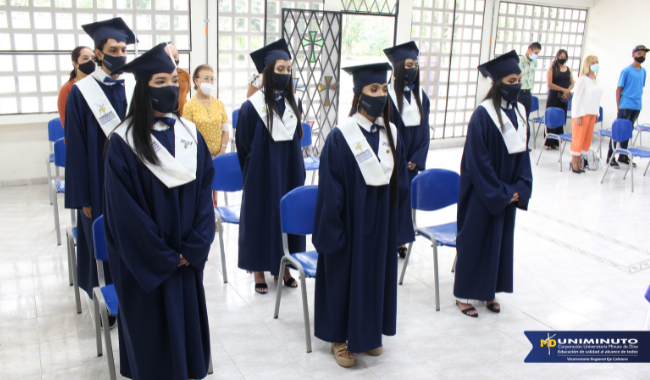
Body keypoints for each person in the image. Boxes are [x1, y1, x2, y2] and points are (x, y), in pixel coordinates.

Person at [103, 42, 214, 380]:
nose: (170, 88)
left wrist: (192, 247)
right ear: (143, 90)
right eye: (159, 82)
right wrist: (166, 257)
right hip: (148, 268)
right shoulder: (123, 143)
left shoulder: (189, 134)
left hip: (185, 260)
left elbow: (203, 196)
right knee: (153, 346)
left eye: (172, 81)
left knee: (187, 338)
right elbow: (125, 217)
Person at [313, 63, 414, 367]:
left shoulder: (391, 134)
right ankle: (339, 337)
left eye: (384, 89)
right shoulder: (340, 137)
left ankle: (368, 334)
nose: (381, 95)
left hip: (380, 225)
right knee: (346, 278)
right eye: (373, 90)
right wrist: (335, 235)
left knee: (374, 278)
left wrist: (395, 229)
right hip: (350, 228)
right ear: (358, 95)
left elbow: (401, 185)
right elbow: (331, 193)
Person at [64, 17, 135, 326]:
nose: (119, 53)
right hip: (96, 179)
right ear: (98, 53)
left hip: (129, 181)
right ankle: (107, 302)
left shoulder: (130, 86)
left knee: (130, 237)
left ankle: (130, 295)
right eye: (113, 49)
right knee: (103, 238)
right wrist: (81, 196)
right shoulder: (81, 93)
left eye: (123, 48)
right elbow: (76, 148)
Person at [454, 51, 533, 318]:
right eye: (511, 79)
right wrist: (501, 192)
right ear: (498, 82)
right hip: (482, 192)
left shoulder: (521, 112)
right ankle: (463, 295)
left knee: (499, 242)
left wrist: (519, 189)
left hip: (507, 191)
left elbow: (524, 155)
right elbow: (477, 163)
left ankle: (489, 293)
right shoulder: (482, 115)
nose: (517, 84)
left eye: (519, 79)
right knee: (476, 239)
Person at [236, 39, 304, 294]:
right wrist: (253, 175)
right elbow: (242, 146)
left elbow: (296, 143)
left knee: (286, 216)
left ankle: (284, 267)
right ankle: (258, 271)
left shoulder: (292, 107)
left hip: (289, 173)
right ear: (266, 73)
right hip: (261, 175)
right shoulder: (250, 108)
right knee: (261, 217)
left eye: (289, 69)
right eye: (280, 69)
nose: (286, 74)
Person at [383, 41, 430, 258]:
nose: (414, 69)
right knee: (393, 200)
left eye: (416, 65)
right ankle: (389, 239)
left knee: (407, 201)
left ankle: (400, 240)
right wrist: (400, 159)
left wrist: (417, 158)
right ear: (399, 67)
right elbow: (386, 131)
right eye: (409, 64)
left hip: (412, 161)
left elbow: (425, 131)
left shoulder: (422, 96)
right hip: (394, 161)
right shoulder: (387, 97)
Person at [182, 64, 230, 207]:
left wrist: (221, 151)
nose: (209, 82)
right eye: (206, 79)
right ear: (196, 81)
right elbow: (186, 133)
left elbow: (225, 130)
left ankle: (214, 218)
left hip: (217, 155)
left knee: (214, 188)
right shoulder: (189, 106)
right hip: (197, 157)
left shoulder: (219, 104)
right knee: (200, 191)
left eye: (211, 79)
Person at [609, 45, 648, 169]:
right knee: (618, 130)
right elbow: (619, 89)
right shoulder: (626, 70)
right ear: (633, 55)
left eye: (644, 54)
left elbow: (640, 88)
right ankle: (611, 157)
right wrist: (619, 107)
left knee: (628, 131)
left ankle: (623, 156)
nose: (642, 56)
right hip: (625, 105)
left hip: (637, 106)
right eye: (639, 53)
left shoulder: (644, 71)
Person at [569, 55, 603, 174]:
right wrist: (577, 115)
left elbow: (597, 98)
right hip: (582, 114)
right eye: (592, 62)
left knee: (587, 140)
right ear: (587, 65)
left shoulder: (596, 80)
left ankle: (580, 162)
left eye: (596, 62)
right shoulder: (582, 79)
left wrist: (597, 112)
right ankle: (574, 164)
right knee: (578, 139)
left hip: (592, 113)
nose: (595, 64)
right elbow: (576, 99)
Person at [58, 46, 94, 127]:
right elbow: (66, 122)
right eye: (85, 58)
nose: (91, 62)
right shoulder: (67, 88)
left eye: (93, 58)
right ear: (75, 64)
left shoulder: (99, 85)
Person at [545, 49, 574, 150]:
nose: (563, 59)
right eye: (561, 57)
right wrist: (563, 90)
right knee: (552, 118)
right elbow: (549, 84)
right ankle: (549, 142)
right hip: (554, 97)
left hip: (564, 98)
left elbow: (572, 83)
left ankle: (557, 141)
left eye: (565, 57)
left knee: (561, 119)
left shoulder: (568, 69)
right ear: (556, 57)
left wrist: (567, 91)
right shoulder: (552, 68)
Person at [518, 42, 542, 149]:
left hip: (528, 93)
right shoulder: (519, 61)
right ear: (529, 49)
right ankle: (517, 144)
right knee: (518, 118)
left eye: (538, 53)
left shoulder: (535, 62)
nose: (536, 55)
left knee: (526, 119)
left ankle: (525, 145)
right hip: (519, 93)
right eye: (535, 52)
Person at [166, 44, 191, 115]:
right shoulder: (159, 76)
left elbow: (185, 92)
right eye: (170, 56)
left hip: (184, 116)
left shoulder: (185, 75)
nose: (173, 59)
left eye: (175, 56)